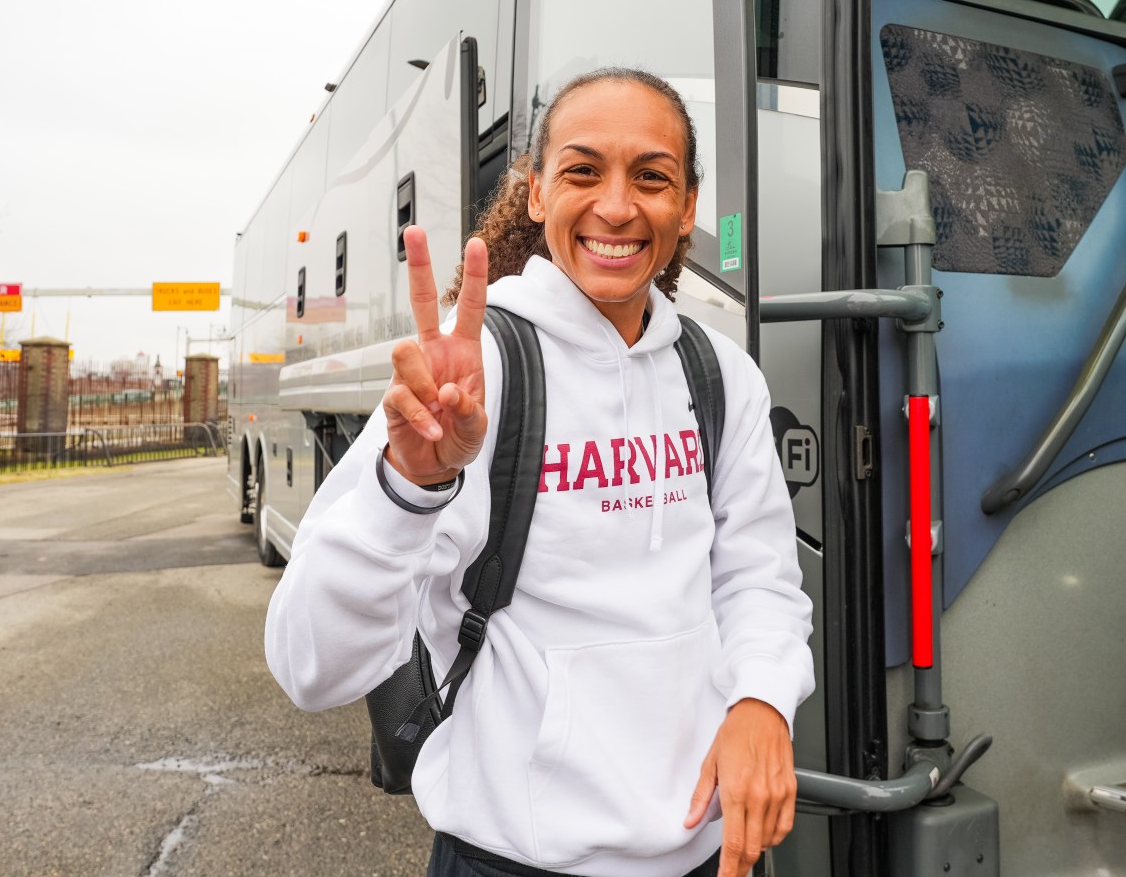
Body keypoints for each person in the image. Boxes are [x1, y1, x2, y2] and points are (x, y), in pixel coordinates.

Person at [265, 68, 815, 877]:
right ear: (535, 193)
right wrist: (409, 484)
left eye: (652, 176)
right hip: (511, 859)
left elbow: (759, 579)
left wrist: (764, 697)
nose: (618, 206)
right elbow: (309, 664)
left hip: (711, 857)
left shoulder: (720, 375)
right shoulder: (476, 369)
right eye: (583, 171)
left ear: (688, 205)